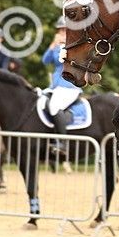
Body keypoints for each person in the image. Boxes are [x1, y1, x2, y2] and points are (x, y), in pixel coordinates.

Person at [42, 18, 82, 156]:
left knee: (54, 107)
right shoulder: (57, 46)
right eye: (60, 30)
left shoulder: (74, 46)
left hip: (68, 86)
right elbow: (45, 61)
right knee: (41, 102)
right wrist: (53, 45)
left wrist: (63, 45)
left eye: (65, 30)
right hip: (56, 86)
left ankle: (63, 143)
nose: (62, 33)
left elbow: (63, 60)